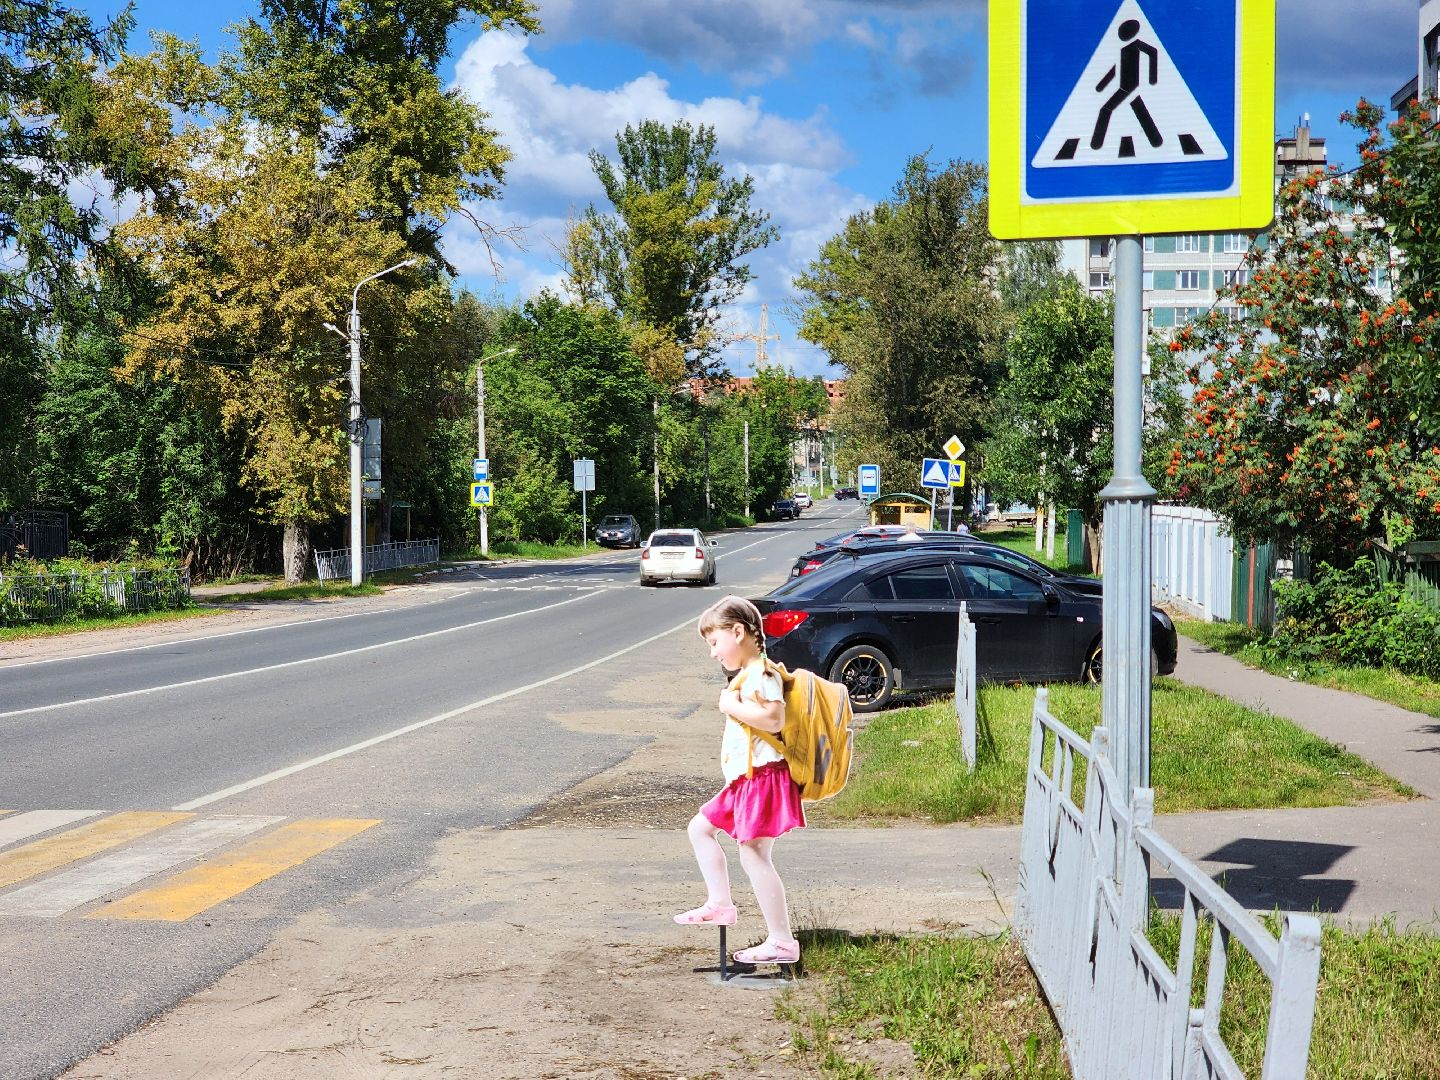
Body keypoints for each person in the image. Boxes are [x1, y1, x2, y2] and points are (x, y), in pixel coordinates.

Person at [673, 596, 803, 965]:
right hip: (746, 780)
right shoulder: (749, 675)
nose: (713, 653)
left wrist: (731, 706)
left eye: (715, 643)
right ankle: (720, 904)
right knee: (700, 828)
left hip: (763, 779)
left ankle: (781, 941)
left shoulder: (763, 674)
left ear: (738, 632)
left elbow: (774, 719)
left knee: (754, 855)